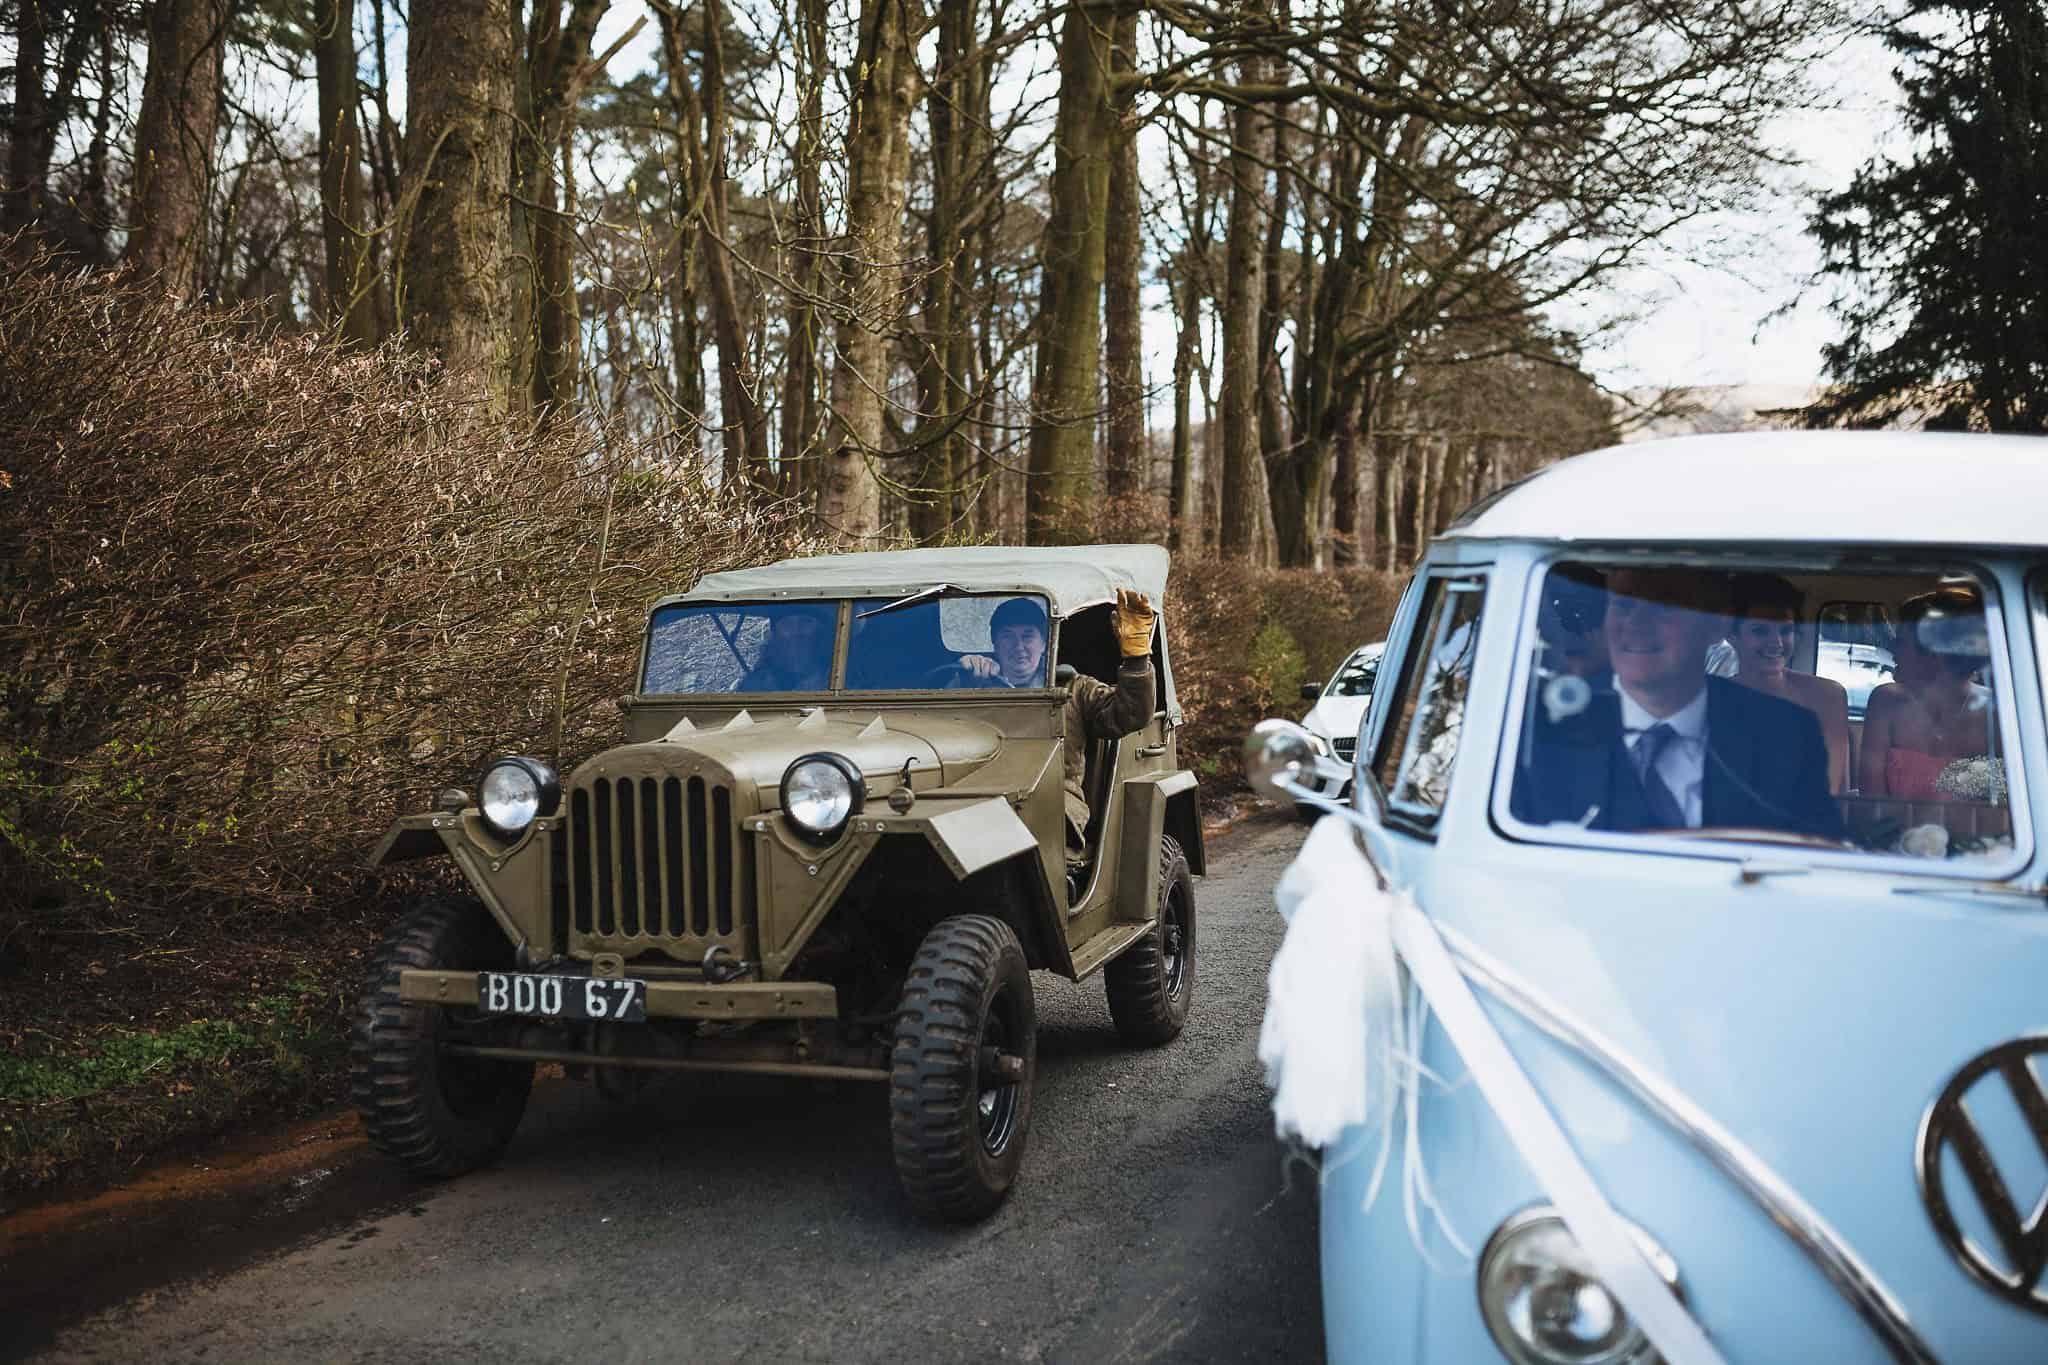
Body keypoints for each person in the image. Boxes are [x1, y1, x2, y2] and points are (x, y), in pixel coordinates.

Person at [1511, 567, 1842, 839]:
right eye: (1623, 606)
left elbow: (1813, 850)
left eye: (1664, 607)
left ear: (1716, 624)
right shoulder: (1536, 727)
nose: (1636, 626)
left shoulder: (1790, 732)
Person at [960, 588, 1157, 863]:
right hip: (977, 801)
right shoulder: (971, 687)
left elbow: (1131, 715)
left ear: (1045, 643)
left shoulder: (1074, 690)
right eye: (1008, 637)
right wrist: (962, 679)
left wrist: (1137, 659)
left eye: (1028, 636)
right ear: (995, 643)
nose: (1019, 647)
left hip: (1056, 806)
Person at [1857, 588, 1995, 800]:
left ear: (1934, 654)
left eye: (1900, 641)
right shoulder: (1885, 702)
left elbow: (2007, 808)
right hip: (1890, 832)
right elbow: (1872, 802)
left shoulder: (1997, 712)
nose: (1893, 650)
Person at [1725, 573, 1852, 793]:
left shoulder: (1827, 697)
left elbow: (1826, 790)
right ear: (1731, 635)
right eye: (1760, 631)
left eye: (1785, 631)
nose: (1776, 643)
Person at [739, 605, 832, 692]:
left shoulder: (836, 678)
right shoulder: (756, 684)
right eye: (787, 624)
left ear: (820, 630)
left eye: (806, 622)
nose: (796, 631)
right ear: (775, 633)